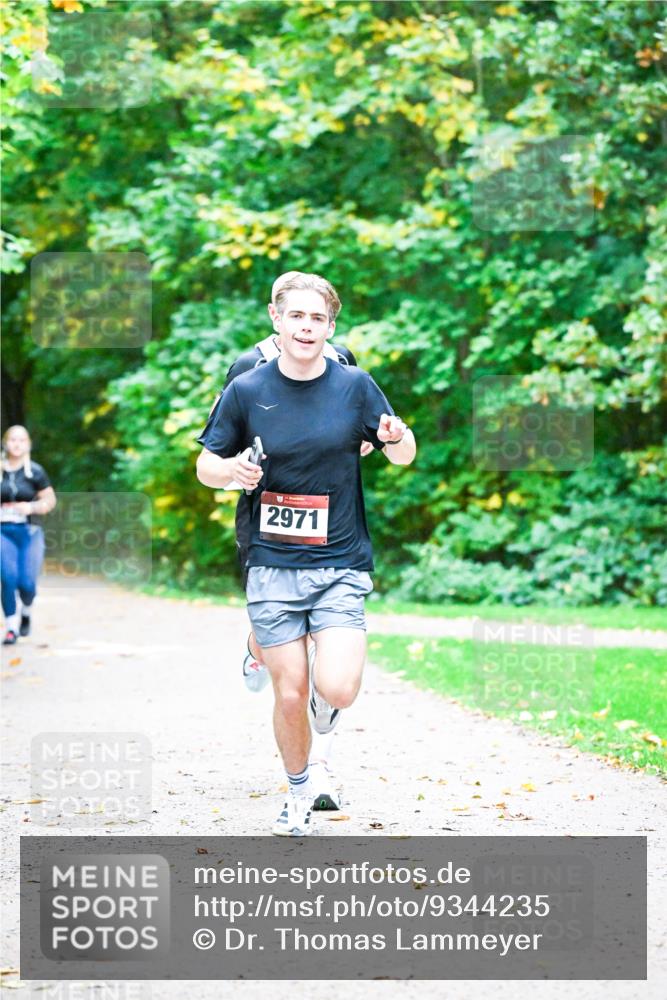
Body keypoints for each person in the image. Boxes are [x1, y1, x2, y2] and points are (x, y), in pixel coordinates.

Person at [196, 272, 416, 836]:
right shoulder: (246, 379)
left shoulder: (351, 376)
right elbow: (208, 464)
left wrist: (389, 436)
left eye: (316, 318)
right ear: (276, 316)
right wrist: (233, 471)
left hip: (338, 553)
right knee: (287, 689)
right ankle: (298, 788)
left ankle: (317, 699)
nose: (306, 327)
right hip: (269, 551)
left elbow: (389, 445)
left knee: (336, 686)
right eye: (296, 315)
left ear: (331, 325)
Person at [1, 426, 57, 645]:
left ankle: (26, 611)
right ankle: (11, 627)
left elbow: (49, 501)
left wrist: (31, 508)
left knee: (27, 583)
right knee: (7, 578)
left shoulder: (35, 472)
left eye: (21, 440)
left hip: (29, 532)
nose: (16, 444)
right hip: (2, 532)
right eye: (12, 440)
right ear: (6, 443)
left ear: (28, 444)